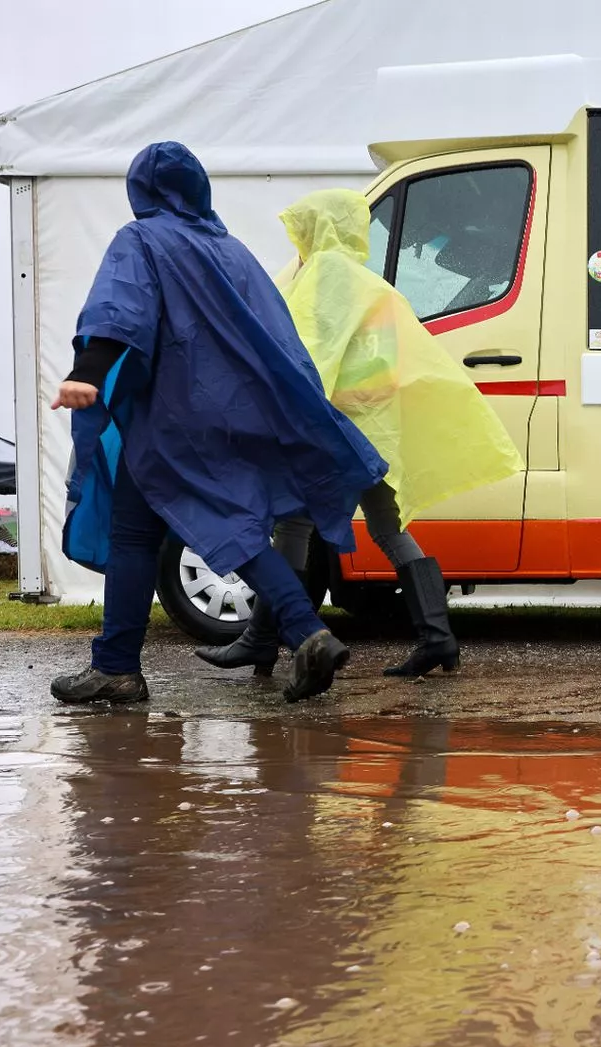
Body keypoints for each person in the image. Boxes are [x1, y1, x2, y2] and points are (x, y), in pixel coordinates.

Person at [51, 143, 388, 705]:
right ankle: (307, 633)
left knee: (151, 536)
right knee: (222, 526)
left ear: (142, 192)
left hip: (173, 420)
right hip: (233, 415)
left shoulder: (142, 239)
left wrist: (88, 371)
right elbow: (279, 336)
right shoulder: (232, 250)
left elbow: (122, 307)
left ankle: (121, 666)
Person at [196, 188, 522, 679]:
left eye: (302, 229)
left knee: (293, 526)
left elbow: (306, 352)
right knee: (389, 530)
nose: (298, 240)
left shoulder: (326, 277)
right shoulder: (371, 284)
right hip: (374, 428)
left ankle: (261, 639)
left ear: (319, 229)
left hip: (335, 428)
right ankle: (438, 638)